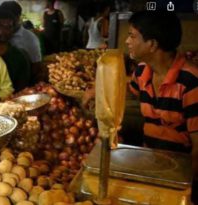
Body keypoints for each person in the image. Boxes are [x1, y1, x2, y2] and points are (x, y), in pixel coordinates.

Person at [83, 11, 198, 203]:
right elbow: (126, 87)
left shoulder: (191, 82)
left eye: (132, 36)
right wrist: (97, 90)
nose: (127, 41)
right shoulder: (143, 71)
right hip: (150, 164)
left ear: (152, 44)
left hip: (178, 176)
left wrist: (185, 190)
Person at [0, 11, 31, 92]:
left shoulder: (19, 57)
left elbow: (22, 89)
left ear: (13, 30)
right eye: (0, 27)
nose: (4, 31)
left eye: (8, 27)